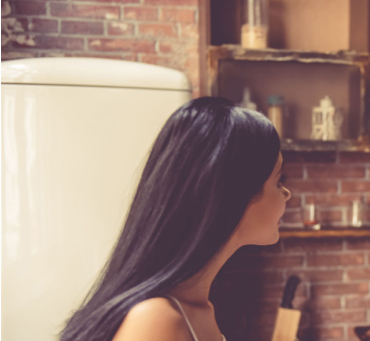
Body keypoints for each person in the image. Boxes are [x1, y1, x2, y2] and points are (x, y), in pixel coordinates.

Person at [60, 97, 292, 341]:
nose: (287, 194)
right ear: (234, 193)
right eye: (278, 181)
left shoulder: (200, 309)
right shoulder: (155, 319)